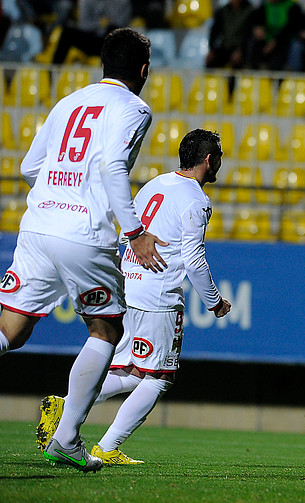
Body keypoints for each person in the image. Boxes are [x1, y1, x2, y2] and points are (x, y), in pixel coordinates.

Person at [0, 27, 166, 473]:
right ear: (144, 71)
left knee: (10, 331)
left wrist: (57, 194)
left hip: (37, 226)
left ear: (103, 64)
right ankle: (67, 439)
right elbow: (113, 165)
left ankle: (68, 438)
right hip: (83, 233)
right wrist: (134, 232)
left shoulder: (69, 101)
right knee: (106, 330)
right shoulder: (134, 108)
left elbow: (29, 166)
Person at [35, 129, 232, 464]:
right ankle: (108, 446)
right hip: (159, 296)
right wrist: (214, 302)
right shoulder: (197, 201)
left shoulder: (153, 185)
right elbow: (194, 259)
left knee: (132, 371)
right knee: (159, 378)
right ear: (209, 160)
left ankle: (66, 406)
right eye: (219, 159)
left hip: (128, 285)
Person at [52, 0, 133, 64]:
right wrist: (100, 23)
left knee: (114, 32)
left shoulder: (122, 1)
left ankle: (109, 74)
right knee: (67, 33)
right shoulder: (86, 1)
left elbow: (121, 25)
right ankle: (52, 73)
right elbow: (84, 25)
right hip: (92, 39)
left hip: (111, 41)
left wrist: (105, 25)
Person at [205, 0, 253, 70]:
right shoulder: (223, 11)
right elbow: (214, 32)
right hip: (225, 46)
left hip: (242, 48)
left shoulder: (250, 11)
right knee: (211, 61)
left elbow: (248, 35)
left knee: (239, 64)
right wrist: (211, 49)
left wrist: (241, 50)